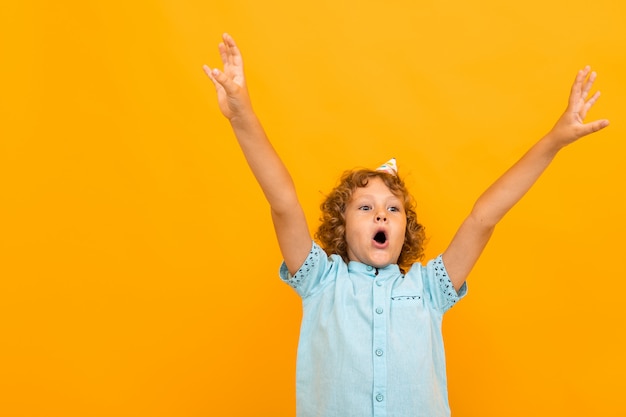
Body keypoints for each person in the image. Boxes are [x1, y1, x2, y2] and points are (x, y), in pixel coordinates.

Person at [203, 33, 609, 417]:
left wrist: (553, 140)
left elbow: (484, 217)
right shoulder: (321, 281)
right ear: (340, 228)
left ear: (404, 231)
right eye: (365, 208)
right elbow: (284, 202)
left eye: (393, 209)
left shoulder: (429, 289)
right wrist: (243, 117)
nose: (381, 214)